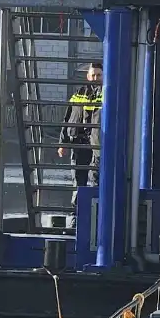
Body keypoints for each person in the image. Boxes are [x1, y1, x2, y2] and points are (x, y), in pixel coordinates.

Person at [58, 62, 103, 217]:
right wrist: (63, 143)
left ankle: (95, 217)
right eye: (93, 75)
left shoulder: (107, 93)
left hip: (97, 145)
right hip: (79, 143)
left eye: (99, 75)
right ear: (88, 76)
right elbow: (68, 117)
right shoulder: (79, 93)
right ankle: (76, 217)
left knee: (96, 181)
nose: (96, 78)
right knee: (79, 182)